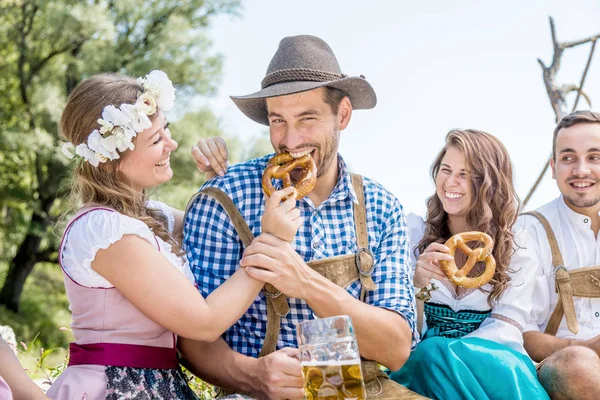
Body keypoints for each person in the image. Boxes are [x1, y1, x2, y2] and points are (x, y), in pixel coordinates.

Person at [180, 35, 419, 400]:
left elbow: (397, 349)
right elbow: (193, 337)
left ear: (342, 115)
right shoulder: (224, 200)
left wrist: (304, 281)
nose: (290, 140)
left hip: (362, 391)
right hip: (256, 392)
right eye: (278, 121)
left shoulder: (382, 207)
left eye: (307, 118)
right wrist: (254, 376)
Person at [46, 71, 296, 399]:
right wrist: (272, 243)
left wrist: (215, 182)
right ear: (109, 162)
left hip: (159, 385)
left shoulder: (152, 216)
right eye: (155, 140)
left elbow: (212, 225)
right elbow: (203, 323)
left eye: (166, 129)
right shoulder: (103, 232)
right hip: (115, 388)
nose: (172, 144)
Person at [388, 129, 549, 399]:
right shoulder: (413, 233)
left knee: (434, 352)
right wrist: (419, 287)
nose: (451, 183)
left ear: (490, 182)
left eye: (466, 175)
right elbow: (406, 332)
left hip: (494, 364)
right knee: (427, 353)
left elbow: (506, 330)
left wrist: (449, 355)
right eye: (445, 170)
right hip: (422, 365)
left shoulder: (517, 244)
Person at [519, 110, 600, 399]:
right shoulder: (526, 230)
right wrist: (589, 348)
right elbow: (519, 333)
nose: (581, 170)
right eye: (568, 158)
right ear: (553, 167)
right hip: (556, 367)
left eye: (594, 157)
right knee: (580, 366)